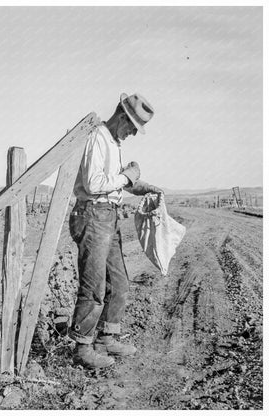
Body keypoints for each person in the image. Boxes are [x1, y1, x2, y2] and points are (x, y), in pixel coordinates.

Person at [68, 92, 163, 368]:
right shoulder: (98, 137)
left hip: (107, 215)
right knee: (94, 285)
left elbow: (117, 182)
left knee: (119, 281)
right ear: (122, 116)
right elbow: (94, 184)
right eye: (132, 127)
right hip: (92, 214)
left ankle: (107, 338)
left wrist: (143, 185)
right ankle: (82, 349)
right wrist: (126, 176)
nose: (132, 133)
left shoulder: (113, 142)